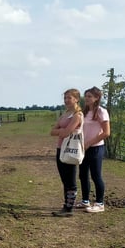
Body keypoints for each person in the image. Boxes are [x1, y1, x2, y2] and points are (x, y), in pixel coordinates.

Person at [50, 88, 84, 217]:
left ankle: (69, 208)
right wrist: (62, 131)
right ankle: (66, 205)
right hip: (61, 148)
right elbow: (52, 131)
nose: (66, 100)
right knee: (65, 179)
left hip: (71, 149)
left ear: (76, 99)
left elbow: (64, 132)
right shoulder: (65, 114)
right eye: (65, 98)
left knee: (70, 179)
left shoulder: (77, 115)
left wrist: (61, 130)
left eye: (69, 98)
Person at [76, 86, 111, 213]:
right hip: (83, 148)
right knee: (83, 175)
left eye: (90, 96)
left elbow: (106, 132)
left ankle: (100, 203)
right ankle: (85, 201)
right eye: (86, 96)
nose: (87, 98)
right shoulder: (84, 112)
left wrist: (90, 142)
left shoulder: (101, 112)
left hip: (96, 148)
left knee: (96, 175)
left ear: (97, 98)